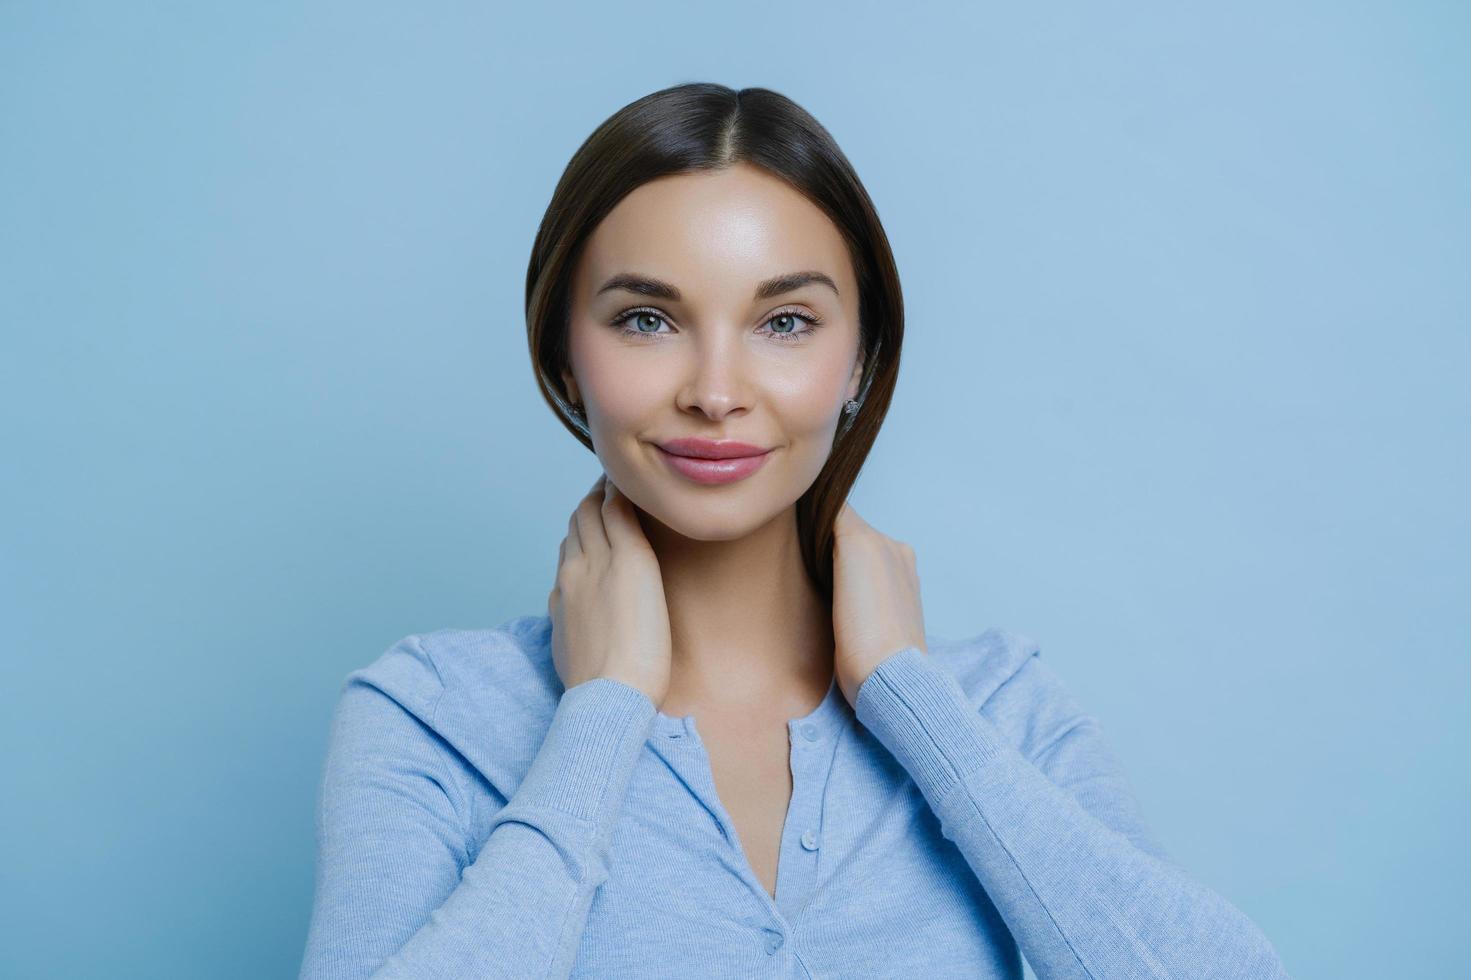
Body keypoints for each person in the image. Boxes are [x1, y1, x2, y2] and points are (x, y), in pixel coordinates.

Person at [298, 82, 1292, 979]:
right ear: (565, 357)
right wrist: (600, 713)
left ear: (859, 359)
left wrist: (910, 697)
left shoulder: (997, 708)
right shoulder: (432, 716)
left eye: (784, 323)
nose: (716, 392)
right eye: (647, 318)